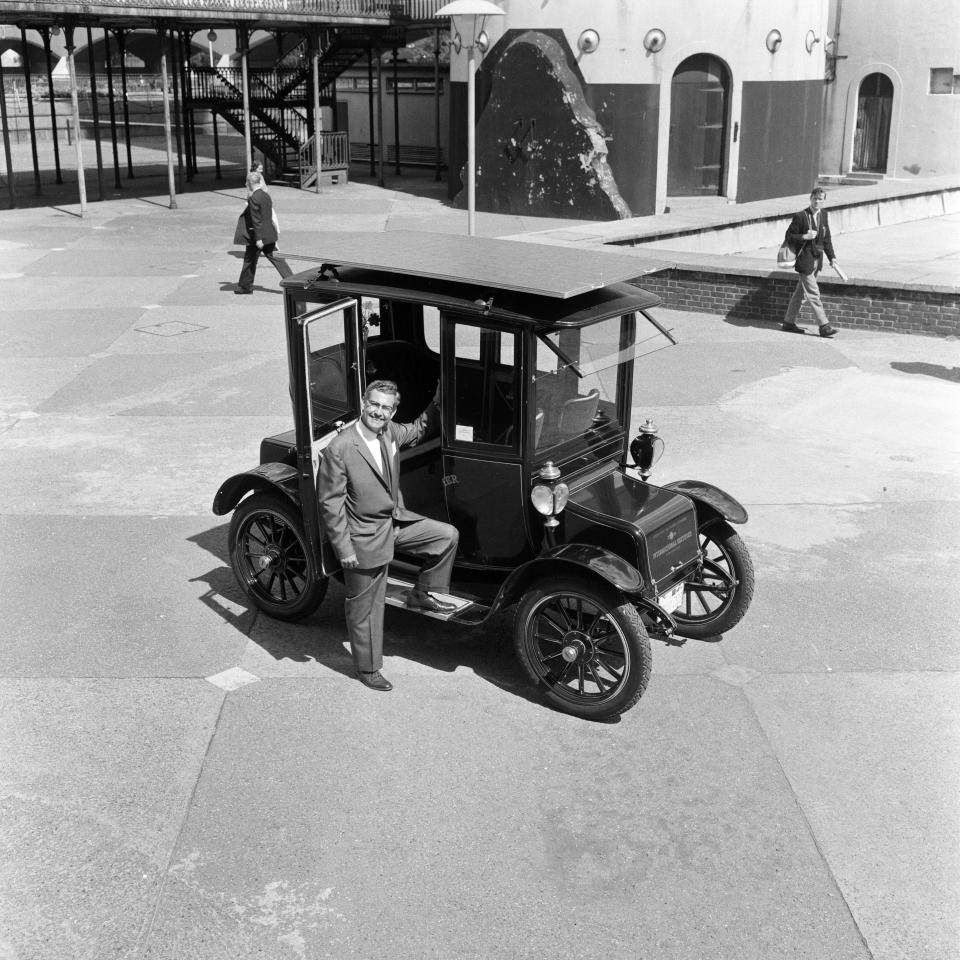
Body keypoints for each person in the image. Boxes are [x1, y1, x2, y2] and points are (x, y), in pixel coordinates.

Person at [318, 380, 459, 692]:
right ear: (363, 402)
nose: (378, 412)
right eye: (374, 404)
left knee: (446, 536)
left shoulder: (389, 432)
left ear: (393, 410)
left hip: (394, 523)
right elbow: (331, 505)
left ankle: (421, 594)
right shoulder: (340, 448)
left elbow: (418, 429)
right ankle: (368, 669)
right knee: (365, 607)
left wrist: (436, 401)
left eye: (386, 407)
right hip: (363, 537)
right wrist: (344, 550)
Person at [781, 187, 842, 338]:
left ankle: (788, 322)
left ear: (823, 201)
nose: (817, 201)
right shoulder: (801, 216)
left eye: (820, 199)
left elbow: (827, 239)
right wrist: (804, 237)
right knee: (814, 294)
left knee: (799, 294)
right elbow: (789, 236)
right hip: (805, 261)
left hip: (817, 261)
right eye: (815, 198)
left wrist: (832, 257)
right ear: (810, 198)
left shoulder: (824, 216)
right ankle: (824, 326)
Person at [233, 170, 292, 294]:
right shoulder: (265, 195)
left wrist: (259, 239)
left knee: (249, 260)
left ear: (250, 183)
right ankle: (293, 282)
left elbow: (256, 220)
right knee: (277, 259)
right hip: (269, 233)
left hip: (258, 236)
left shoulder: (254, 198)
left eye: (247, 183)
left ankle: (245, 286)